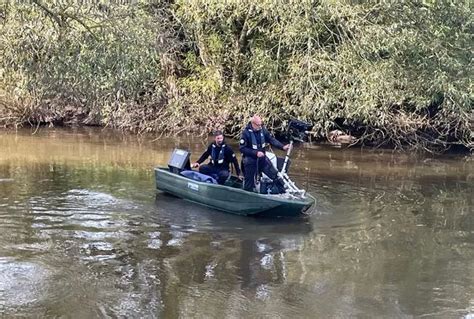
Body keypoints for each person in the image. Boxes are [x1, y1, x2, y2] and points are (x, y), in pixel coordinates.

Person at [239, 115, 290, 192]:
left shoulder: (263, 130)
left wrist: (282, 147)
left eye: (261, 124)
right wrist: (255, 153)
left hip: (262, 159)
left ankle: (281, 191)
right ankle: (248, 195)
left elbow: (271, 139)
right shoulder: (245, 133)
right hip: (250, 160)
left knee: (275, 175)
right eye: (258, 125)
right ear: (253, 124)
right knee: (249, 182)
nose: (260, 126)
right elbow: (242, 148)